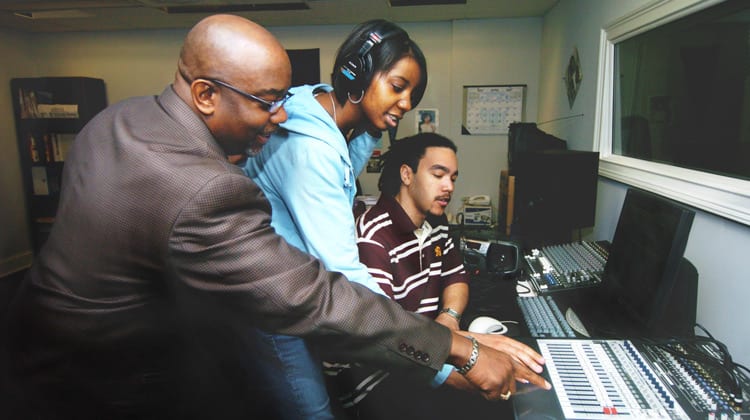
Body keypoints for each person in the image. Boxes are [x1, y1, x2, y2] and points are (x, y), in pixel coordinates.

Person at [1, 13, 550, 420]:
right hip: (94, 377)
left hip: (42, 332)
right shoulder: (202, 189)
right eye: (266, 101)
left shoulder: (117, 120)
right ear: (205, 94)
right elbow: (316, 296)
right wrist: (459, 349)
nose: (282, 115)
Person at [242, 19, 431, 418]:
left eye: (413, 93)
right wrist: (435, 349)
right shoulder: (311, 150)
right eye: (398, 87)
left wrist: (373, 124)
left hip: (290, 286)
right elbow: (342, 271)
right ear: (356, 74)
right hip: (269, 304)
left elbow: (344, 177)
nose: (407, 104)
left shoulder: (327, 114)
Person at [329, 133, 543, 419]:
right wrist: (477, 370)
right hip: (377, 379)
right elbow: (387, 339)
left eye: (453, 178)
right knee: (502, 403)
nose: (449, 187)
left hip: (424, 353)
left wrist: (449, 318)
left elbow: (456, 277)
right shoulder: (372, 237)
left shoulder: (435, 226)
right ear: (407, 174)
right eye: (438, 174)